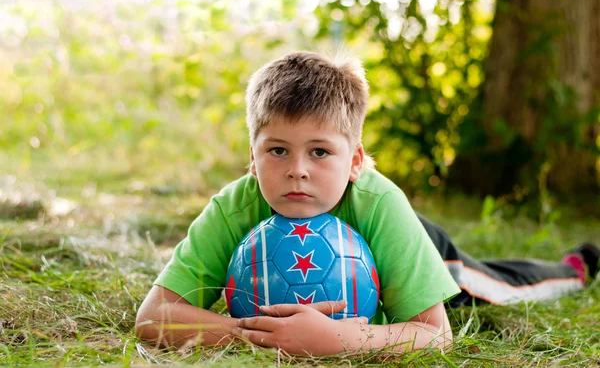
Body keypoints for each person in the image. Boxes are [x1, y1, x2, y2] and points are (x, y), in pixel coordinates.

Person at [135, 51, 600, 356]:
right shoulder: (235, 208)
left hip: (422, 246)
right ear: (252, 162)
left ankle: (576, 267)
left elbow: (434, 335)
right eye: (278, 150)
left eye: (320, 152)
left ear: (354, 160)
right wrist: (260, 335)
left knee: (493, 286)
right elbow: (154, 318)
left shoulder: (380, 203)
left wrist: (340, 340)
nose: (298, 169)